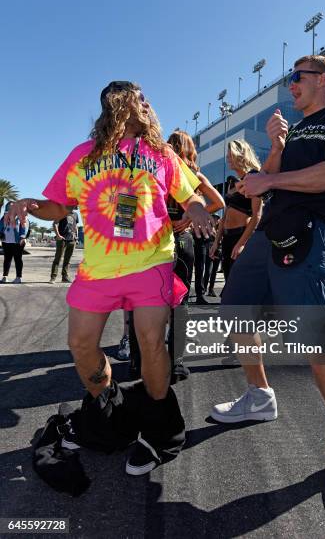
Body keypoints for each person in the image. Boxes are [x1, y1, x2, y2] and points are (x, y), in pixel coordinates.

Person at [5, 81, 213, 476]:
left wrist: (199, 209)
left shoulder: (162, 153)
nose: (150, 105)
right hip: (98, 268)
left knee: (151, 341)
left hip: (152, 260)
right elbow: (57, 206)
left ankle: (157, 428)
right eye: (142, 98)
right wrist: (28, 203)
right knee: (80, 344)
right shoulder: (83, 155)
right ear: (121, 104)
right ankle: (112, 412)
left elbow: (191, 195)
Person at [211, 55, 325, 511]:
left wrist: (272, 177)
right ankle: (259, 395)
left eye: (295, 78)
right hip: (270, 232)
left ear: (321, 79)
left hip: (318, 230)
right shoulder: (296, 130)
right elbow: (268, 181)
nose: (290, 86)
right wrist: (277, 144)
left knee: (315, 339)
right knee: (236, 311)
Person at [166, 130, 224, 375]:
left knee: (150, 298)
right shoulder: (193, 174)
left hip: (161, 240)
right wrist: (190, 218)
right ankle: (176, 359)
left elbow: (219, 203)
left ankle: (147, 356)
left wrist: (188, 219)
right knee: (180, 299)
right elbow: (218, 202)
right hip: (182, 240)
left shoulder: (164, 169)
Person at [210, 140, 263, 282]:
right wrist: (216, 242)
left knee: (240, 283)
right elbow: (225, 216)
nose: (227, 158)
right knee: (229, 280)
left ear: (241, 155)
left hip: (241, 236)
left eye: (230, 154)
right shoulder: (232, 182)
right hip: (227, 239)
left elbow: (256, 216)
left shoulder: (254, 177)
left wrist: (241, 243)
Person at [0, 201, 29, 284]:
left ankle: (18, 277)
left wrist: (22, 237)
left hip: (17, 242)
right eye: (9, 206)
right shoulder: (3, 218)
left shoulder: (21, 217)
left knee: (18, 259)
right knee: (7, 259)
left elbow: (24, 227)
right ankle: (5, 277)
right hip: (6, 241)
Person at [49, 209, 79, 283]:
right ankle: (53, 277)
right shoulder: (62, 212)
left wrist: (76, 237)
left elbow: (75, 226)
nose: (77, 205)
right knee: (57, 259)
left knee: (67, 260)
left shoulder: (75, 214)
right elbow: (55, 223)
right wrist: (58, 235)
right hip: (62, 239)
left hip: (72, 240)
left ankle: (65, 277)